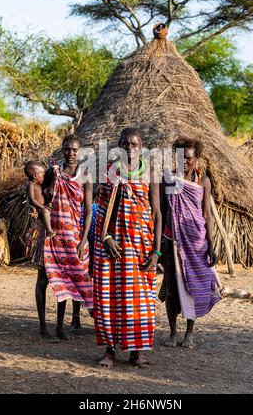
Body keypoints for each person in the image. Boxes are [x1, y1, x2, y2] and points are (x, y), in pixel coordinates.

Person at [93, 127, 162, 369]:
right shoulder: (110, 172)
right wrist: (107, 237)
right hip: (113, 246)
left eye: (134, 144)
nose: (130, 148)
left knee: (140, 300)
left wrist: (156, 251)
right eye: (125, 144)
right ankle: (109, 353)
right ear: (119, 146)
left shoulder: (151, 173)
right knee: (109, 297)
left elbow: (156, 213)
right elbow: (102, 210)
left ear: (142, 146)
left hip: (141, 246)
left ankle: (136, 353)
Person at [161, 138, 221, 349]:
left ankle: (189, 333)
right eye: (180, 157)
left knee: (193, 286)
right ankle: (172, 333)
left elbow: (206, 214)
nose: (184, 161)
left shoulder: (203, 181)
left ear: (196, 159)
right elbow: (160, 211)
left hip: (195, 241)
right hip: (171, 240)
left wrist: (210, 244)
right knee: (170, 288)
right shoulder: (168, 179)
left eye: (189, 157)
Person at [43, 133, 94, 340]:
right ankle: (58, 327)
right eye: (67, 149)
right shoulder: (54, 173)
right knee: (60, 281)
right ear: (62, 150)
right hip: (55, 237)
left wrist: (83, 241)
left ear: (79, 151)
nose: (70, 153)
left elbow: (89, 210)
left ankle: (75, 319)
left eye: (74, 150)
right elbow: (43, 195)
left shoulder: (85, 175)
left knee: (78, 278)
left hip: (75, 237)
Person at [24, 160, 55, 238]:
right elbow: (32, 200)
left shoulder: (40, 184)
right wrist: (43, 207)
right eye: (43, 175)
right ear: (35, 176)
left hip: (44, 206)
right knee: (45, 211)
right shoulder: (31, 185)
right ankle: (49, 231)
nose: (45, 177)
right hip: (39, 209)